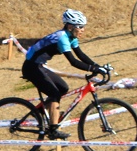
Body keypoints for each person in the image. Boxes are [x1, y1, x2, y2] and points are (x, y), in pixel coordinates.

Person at [21, 10, 107, 140]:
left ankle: (38, 112)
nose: (83, 30)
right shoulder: (62, 38)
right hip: (31, 67)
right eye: (80, 27)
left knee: (63, 88)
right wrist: (93, 68)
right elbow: (73, 61)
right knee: (54, 93)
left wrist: (98, 66)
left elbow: (81, 55)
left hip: (38, 65)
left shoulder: (70, 37)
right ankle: (53, 130)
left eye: (84, 27)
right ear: (70, 26)